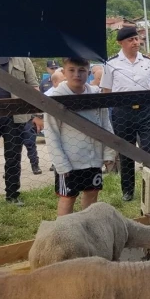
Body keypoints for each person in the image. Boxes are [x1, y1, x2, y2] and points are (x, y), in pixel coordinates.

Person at [44, 57, 115, 215]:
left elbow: (106, 125)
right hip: (70, 161)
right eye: (72, 70)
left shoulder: (96, 96)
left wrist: (109, 152)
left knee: (91, 193)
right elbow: (51, 134)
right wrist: (61, 164)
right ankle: (63, 234)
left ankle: (88, 229)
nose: (77, 74)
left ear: (89, 73)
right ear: (64, 72)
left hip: (92, 158)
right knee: (68, 198)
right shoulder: (56, 98)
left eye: (82, 70)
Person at [100, 26, 150, 201]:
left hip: (146, 111)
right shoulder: (111, 64)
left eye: (137, 39)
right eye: (131, 40)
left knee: (149, 151)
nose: (136, 43)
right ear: (120, 43)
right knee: (126, 152)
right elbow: (106, 91)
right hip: (123, 113)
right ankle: (127, 190)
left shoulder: (149, 62)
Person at [0, 56, 42, 206]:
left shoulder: (22, 60)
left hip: (15, 117)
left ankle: (12, 196)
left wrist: (37, 115)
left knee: (13, 157)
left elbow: (34, 88)